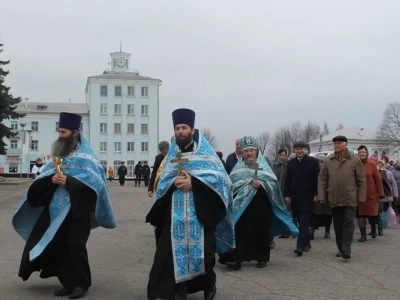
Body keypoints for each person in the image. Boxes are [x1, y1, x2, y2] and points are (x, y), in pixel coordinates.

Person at [12, 112, 116, 299]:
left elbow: (95, 186)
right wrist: (52, 180)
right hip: (55, 210)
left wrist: (69, 182)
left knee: (75, 245)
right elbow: (41, 181)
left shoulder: (87, 158)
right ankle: (67, 283)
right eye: (59, 131)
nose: (60, 135)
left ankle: (81, 284)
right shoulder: (57, 156)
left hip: (77, 211)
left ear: (75, 132)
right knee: (60, 246)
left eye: (63, 131)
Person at [146, 108, 234, 300]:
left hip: (202, 214)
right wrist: (173, 183)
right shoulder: (171, 157)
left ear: (192, 130)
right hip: (175, 216)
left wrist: (194, 183)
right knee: (170, 254)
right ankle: (178, 290)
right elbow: (162, 184)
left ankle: (209, 285)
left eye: (184, 127)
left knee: (205, 257)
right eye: (177, 128)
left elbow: (222, 181)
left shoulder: (206, 154)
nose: (180, 131)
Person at [225, 136, 298, 271]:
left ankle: (262, 258)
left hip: (260, 206)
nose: (249, 153)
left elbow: (273, 186)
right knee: (240, 232)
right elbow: (231, 185)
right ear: (243, 153)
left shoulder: (265, 167)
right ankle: (238, 260)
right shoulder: (238, 169)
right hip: (242, 208)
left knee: (261, 232)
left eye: (252, 151)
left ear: (256, 151)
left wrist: (261, 186)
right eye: (246, 151)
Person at [318, 135, 366, 259]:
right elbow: (322, 178)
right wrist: (321, 195)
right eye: (335, 143)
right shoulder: (329, 160)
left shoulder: (354, 159)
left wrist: (361, 198)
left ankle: (346, 250)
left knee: (349, 224)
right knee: (338, 224)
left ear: (346, 144)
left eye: (339, 143)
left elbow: (361, 179)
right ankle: (341, 248)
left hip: (350, 197)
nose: (337, 145)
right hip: (334, 197)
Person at [284, 141, 320, 256]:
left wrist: (317, 194)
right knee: (300, 221)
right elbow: (288, 180)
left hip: (308, 196)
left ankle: (300, 246)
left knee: (304, 221)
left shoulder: (313, 162)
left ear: (306, 150)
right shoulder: (290, 163)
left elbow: (317, 180)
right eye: (297, 149)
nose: (299, 151)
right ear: (294, 150)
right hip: (295, 196)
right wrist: (287, 194)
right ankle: (307, 243)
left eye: (301, 149)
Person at [356, 146, 384, 242]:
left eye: (363, 152)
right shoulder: (355, 164)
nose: (361, 154)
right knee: (360, 215)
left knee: (372, 215)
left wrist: (381, 194)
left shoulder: (372, 164)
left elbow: (378, 180)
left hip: (371, 194)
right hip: (359, 194)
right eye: (360, 152)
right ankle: (363, 235)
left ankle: (373, 228)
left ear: (366, 153)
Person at [309, 155, 332, 239]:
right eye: (319, 162)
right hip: (316, 195)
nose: (320, 164)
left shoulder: (329, 171)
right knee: (315, 213)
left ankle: (327, 230)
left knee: (328, 214)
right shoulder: (314, 171)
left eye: (322, 162)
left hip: (327, 195)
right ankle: (312, 230)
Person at [272, 148, 290, 238]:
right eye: (281, 155)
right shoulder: (274, 165)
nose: (282, 157)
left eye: (284, 155)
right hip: (276, 191)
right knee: (278, 210)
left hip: (286, 191)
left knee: (286, 210)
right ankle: (280, 229)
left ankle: (287, 231)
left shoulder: (289, 165)